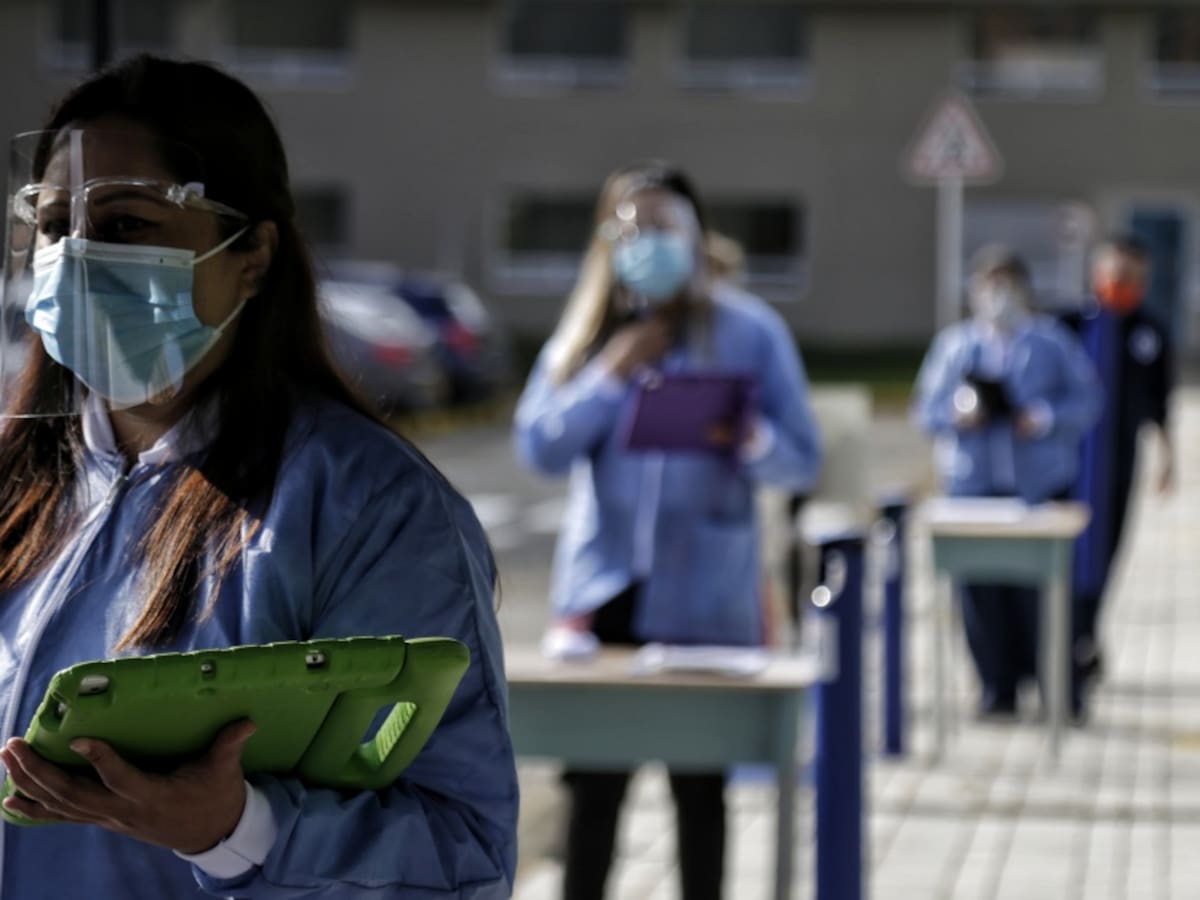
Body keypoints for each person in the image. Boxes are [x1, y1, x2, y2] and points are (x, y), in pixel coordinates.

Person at [0, 56, 517, 898]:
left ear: (253, 255)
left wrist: (239, 831)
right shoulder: (20, 483)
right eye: (55, 227)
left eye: (128, 225)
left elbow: (466, 857)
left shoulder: (368, 509)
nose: (79, 259)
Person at [513, 161, 822, 900]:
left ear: (694, 235)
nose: (647, 241)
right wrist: (609, 376)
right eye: (631, 227)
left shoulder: (748, 331)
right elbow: (539, 446)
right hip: (604, 593)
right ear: (607, 241)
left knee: (698, 791)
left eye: (664, 226)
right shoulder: (588, 332)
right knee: (594, 791)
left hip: (705, 598)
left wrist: (748, 441)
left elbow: (802, 457)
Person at [912, 246, 1101, 719]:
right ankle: (996, 689)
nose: (997, 294)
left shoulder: (1051, 341)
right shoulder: (956, 346)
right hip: (972, 489)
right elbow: (925, 410)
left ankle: (1057, 688)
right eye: (987, 282)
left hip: (1037, 487)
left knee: (1040, 597)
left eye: (1006, 282)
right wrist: (959, 415)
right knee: (980, 596)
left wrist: (1044, 418)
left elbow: (1088, 400)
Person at [1061, 235, 1175, 684]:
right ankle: (1065, 638)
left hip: (1118, 460)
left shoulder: (1149, 331)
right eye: (1116, 274)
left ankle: (1085, 634)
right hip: (1067, 461)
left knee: (1105, 551)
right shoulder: (1069, 324)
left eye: (1132, 277)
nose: (1122, 284)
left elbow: (1161, 403)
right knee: (1067, 554)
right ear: (1096, 273)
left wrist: (1169, 460)